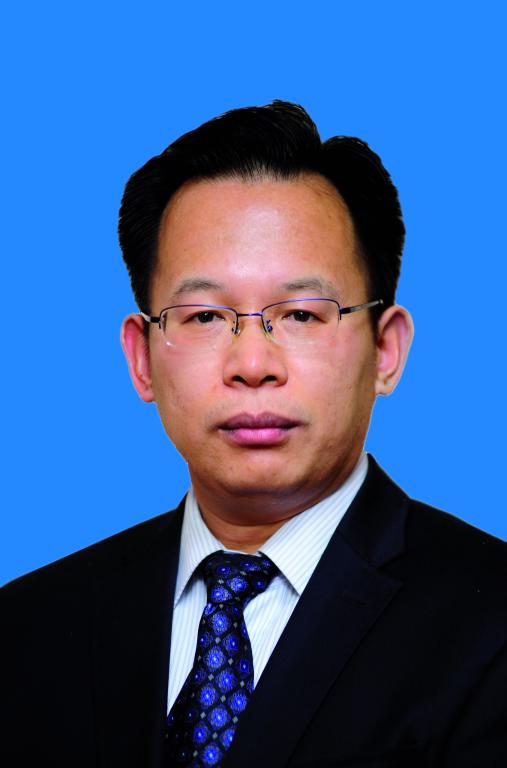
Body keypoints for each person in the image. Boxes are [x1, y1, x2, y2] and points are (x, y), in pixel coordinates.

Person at [2, 101, 506, 768]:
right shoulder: (28, 628)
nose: (252, 364)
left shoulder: (491, 622)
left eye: (300, 314)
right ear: (141, 358)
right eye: (205, 316)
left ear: (385, 350)